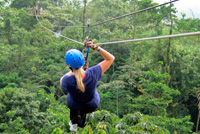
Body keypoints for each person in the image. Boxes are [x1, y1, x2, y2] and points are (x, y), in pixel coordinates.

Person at [60, 41, 115, 132]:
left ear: (69, 65)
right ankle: (80, 121)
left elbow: (62, 80)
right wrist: (97, 48)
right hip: (91, 104)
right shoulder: (93, 73)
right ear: (82, 62)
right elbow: (110, 58)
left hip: (75, 105)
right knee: (88, 94)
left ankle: (74, 122)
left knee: (71, 96)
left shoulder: (67, 80)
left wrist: (79, 69)